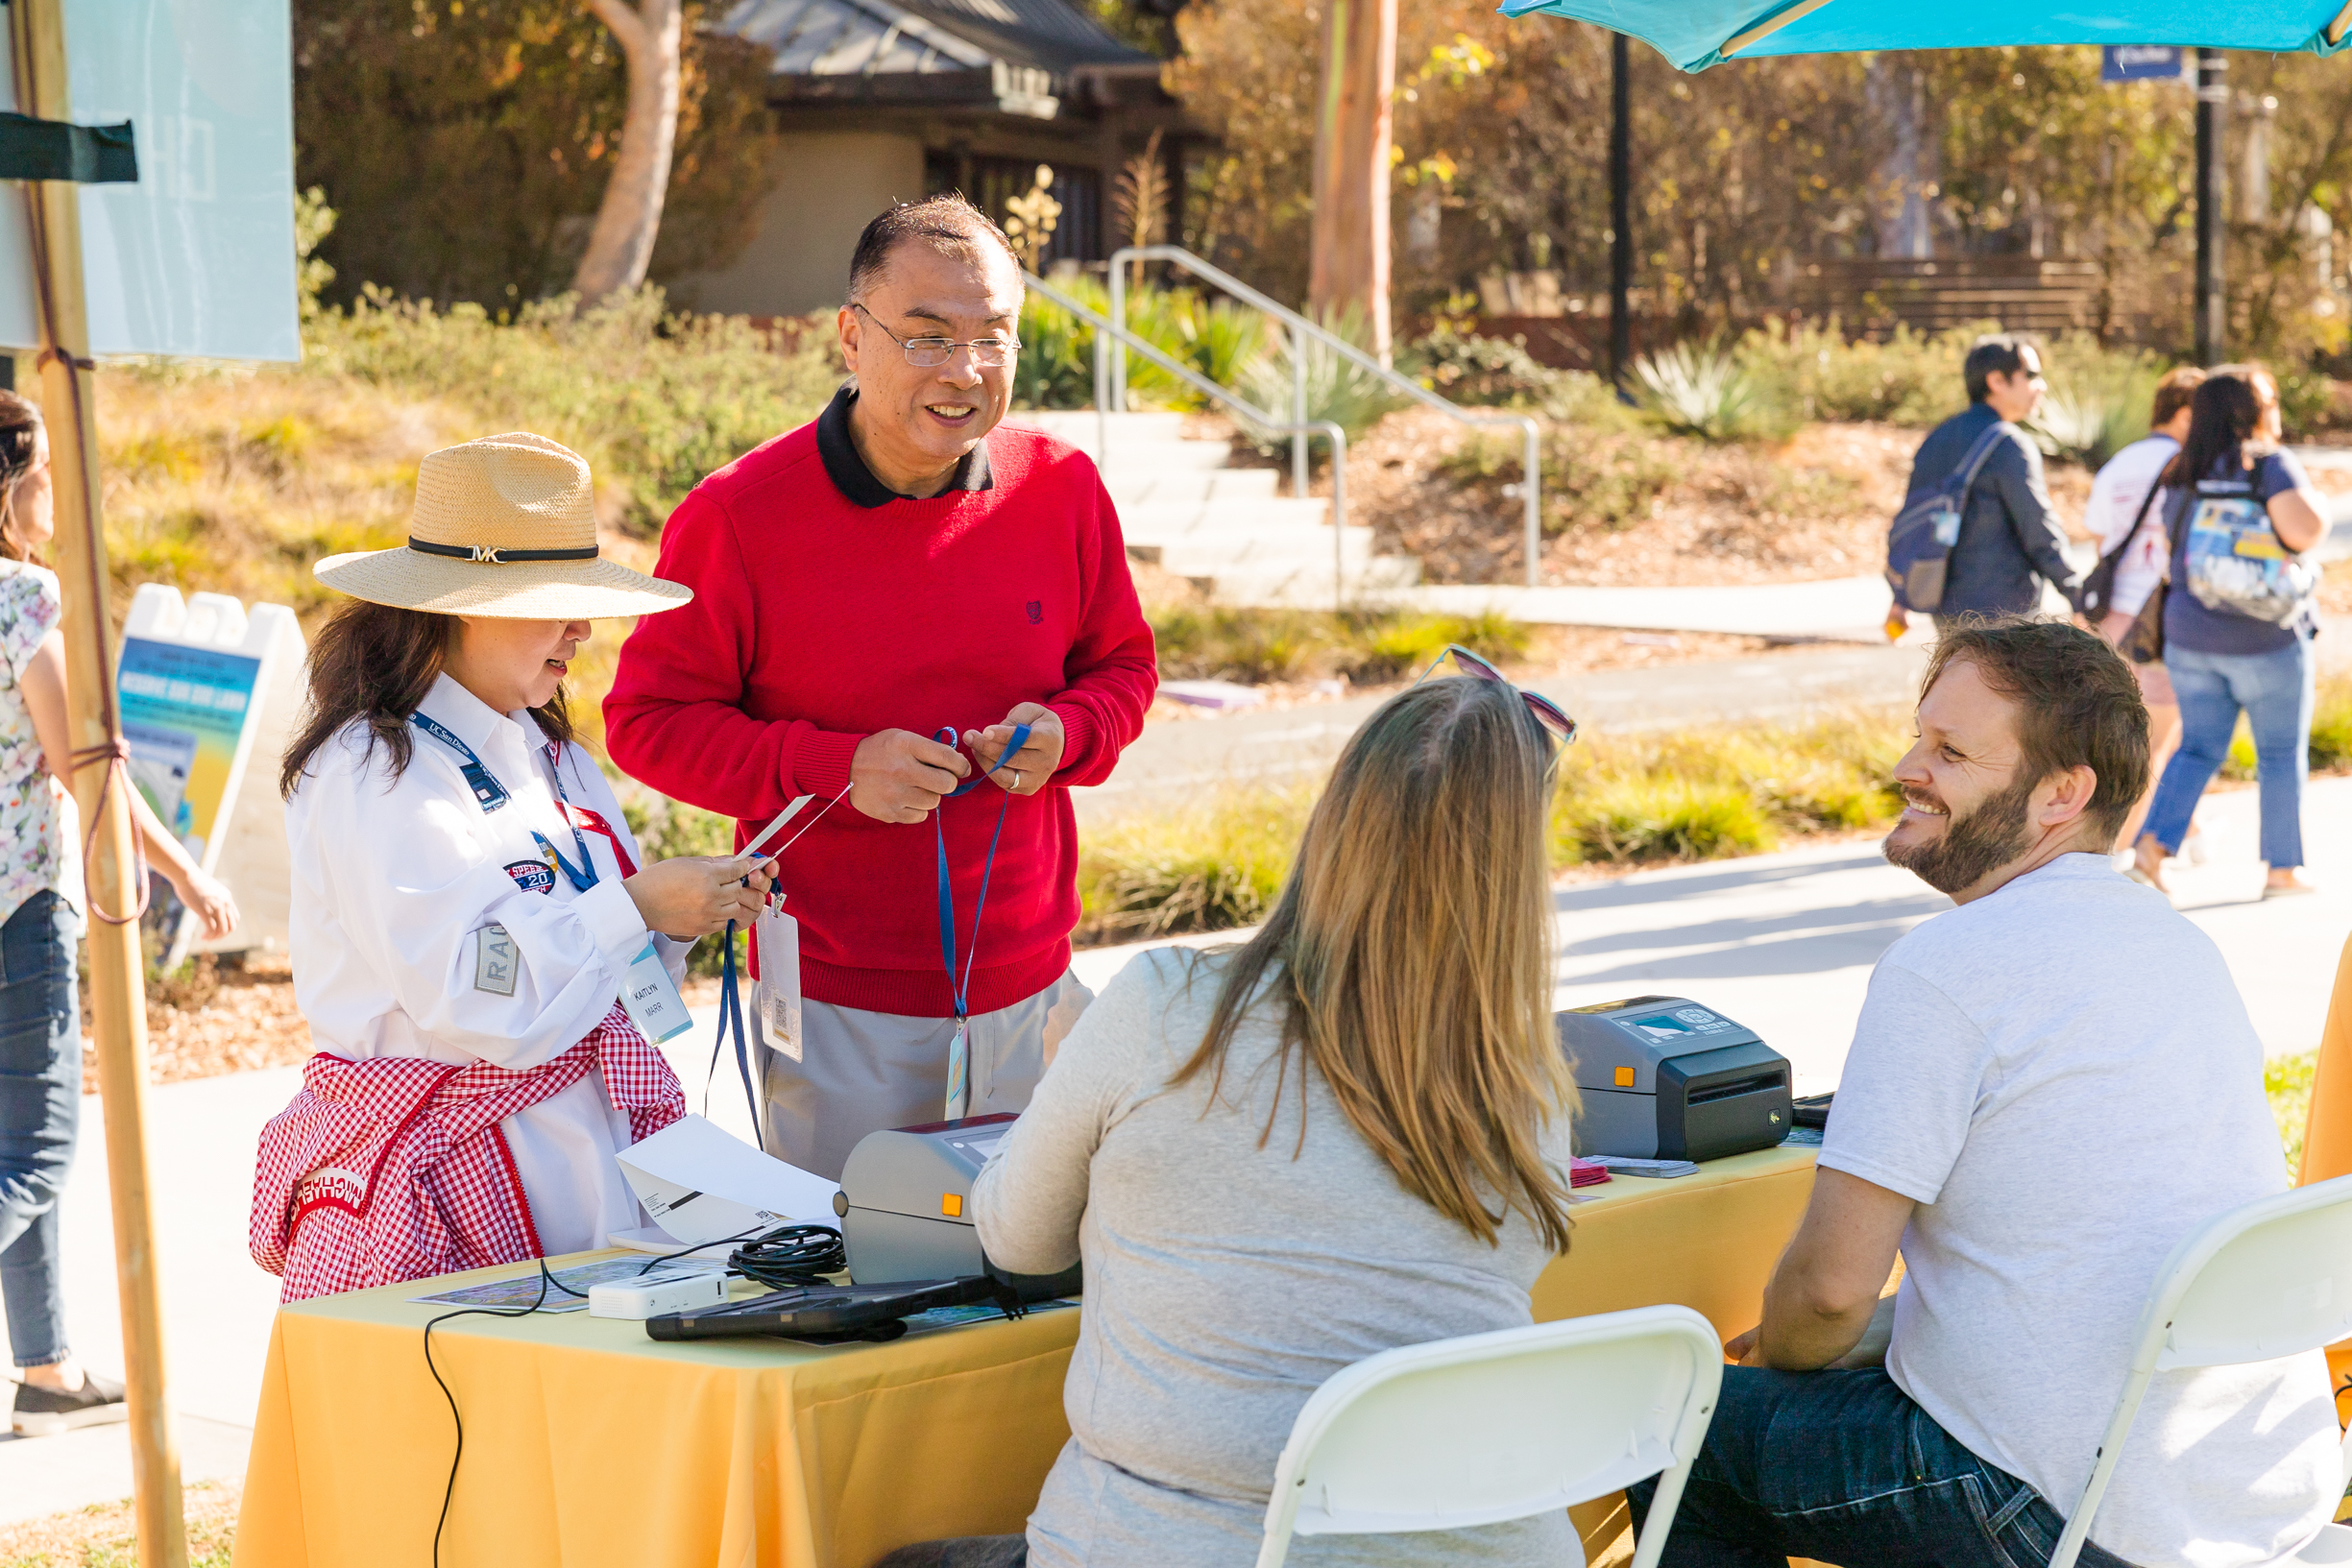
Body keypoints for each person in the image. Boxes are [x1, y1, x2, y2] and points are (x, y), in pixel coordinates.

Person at [1631, 619, 2340, 1568]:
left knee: (1670, 1427)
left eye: (1950, 751)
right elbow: (2084, 1255)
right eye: (1919, 735)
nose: (1908, 766)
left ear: (2061, 793)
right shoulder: (2177, 945)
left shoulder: (1946, 969)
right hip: (2247, 1503)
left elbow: (1829, 1293)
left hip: (2067, 1516)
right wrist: (1881, 1333)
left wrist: (1786, 1348)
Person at [875, 669, 1583, 1568]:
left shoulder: (1161, 1005)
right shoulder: (1521, 1075)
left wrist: (1069, 1073)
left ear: (1337, 819)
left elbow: (1015, 1240)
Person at [605, 193, 1157, 1180]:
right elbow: (648, 724)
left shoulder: (1063, 485)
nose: (967, 371)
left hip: (1035, 986)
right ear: (851, 340)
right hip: (835, 1005)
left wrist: (1064, 733)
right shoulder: (736, 516)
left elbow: (1122, 669)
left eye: (994, 338)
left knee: (1041, 1296)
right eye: (930, 338)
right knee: (868, 1299)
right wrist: (835, 768)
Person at [253, 433, 774, 1302]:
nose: (582, 628)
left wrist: (675, 915)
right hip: (447, 1193)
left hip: (582, 1181)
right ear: (462, 606)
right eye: (555, 604)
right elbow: (474, 997)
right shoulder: (374, 765)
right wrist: (637, 907)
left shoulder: (550, 749)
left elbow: (600, 965)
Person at [0, 393, 239, 1436]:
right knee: (42, 1142)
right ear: (12, 483)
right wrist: (183, 872)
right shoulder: (23, 595)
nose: (62, 492)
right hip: (21, 901)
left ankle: (45, 1363)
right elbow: (79, 759)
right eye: (48, 469)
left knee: (13, 1137)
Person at [2133, 367, 2332, 898]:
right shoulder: (2267, 466)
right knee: (2279, 752)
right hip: (2264, 637)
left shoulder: (2183, 469)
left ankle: (2150, 852)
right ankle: (2282, 871)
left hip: (2191, 635)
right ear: (2251, 410)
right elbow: (2305, 531)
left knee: (2196, 747)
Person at [2082, 365, 2204, 849]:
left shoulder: (2119, 463)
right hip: (2160, 623)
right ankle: (2119, 850)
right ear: (2187, 413)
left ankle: (2180, 827)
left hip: (2111, 621)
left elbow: (2099, 536)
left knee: (2122, 738)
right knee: (2155, 742)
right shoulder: (2188, 466)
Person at [1893, 334, 2081, 634]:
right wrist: (2077, 594)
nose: (2041, 385)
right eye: (2031, 375)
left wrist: (1900, 597)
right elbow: (2038, 528)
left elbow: (1913, 522)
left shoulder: (1935, 439)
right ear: (1996, 381)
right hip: (2004, 618)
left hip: (1946, 613)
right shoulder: (2009, 444)